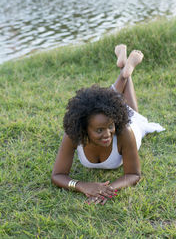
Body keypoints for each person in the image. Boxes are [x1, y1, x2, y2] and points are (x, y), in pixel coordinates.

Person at [51, 44, 165, 205]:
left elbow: (134, 174)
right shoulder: (74, 134)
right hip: (110, 113)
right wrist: (82, 186)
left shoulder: (124, 131)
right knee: (113, 102)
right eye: (99, 130)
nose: (107, 134)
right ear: (84, 129)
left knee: (134, 114)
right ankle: (125, 71)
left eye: (110, 127)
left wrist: (107, 189)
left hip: (132, 124)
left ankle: (126, 72)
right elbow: (57, 175)